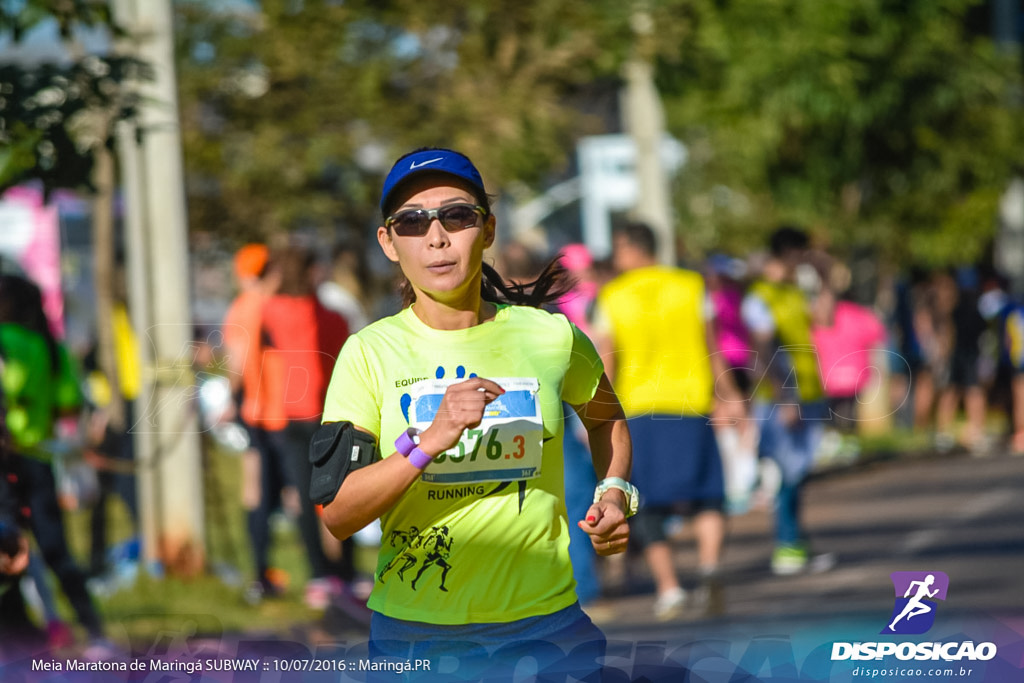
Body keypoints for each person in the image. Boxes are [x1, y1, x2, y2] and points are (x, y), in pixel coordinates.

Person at [317, 148, 634, 680]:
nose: (437, 237)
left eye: (457, 216)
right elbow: (339, 514)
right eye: (412, 222)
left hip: (547, 631)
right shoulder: (368, 354)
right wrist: (427, 441)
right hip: (416, 639)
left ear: (486, 231)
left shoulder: (550, 337)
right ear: (388, 243)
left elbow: (606, 419)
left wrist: (614, 491)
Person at [592, 222, 737, 620]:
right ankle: (709, 568)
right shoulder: (691, 285)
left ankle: (669, 588)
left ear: (632, 249)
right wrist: (729, 396)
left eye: (619, 248)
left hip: (639, 407)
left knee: (647, 504)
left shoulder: (612, 295)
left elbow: (608, 356)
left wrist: (598, 410)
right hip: (692, 402)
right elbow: (713, 345)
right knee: (707, 493)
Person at [0, 274, 105, 641]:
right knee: (57, 552)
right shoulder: (52, 347)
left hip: (6, 464)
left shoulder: (5, 342)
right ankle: (96, 633)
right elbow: (68, 409)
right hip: (40, 462)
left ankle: (30, 634)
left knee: (9, 552)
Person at [261, 245, 354, 610]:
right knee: (338, 493)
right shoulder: (333, 317)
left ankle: (319, 575)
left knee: (302, 497)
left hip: (288, 413)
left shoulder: (271, 311)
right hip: (327, 411)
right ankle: (344, 572)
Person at [741, 226, 834, 576]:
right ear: (790, 253)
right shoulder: (760, 297)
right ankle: (787, 544)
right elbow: (762, 352)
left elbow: (826, 318)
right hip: (783, 399)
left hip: (807, 393)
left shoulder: (794, 292)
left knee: (799, 471)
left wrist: (826, 281)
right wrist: (785, 397)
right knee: (786, 473)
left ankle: (796, 542)